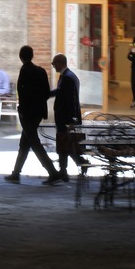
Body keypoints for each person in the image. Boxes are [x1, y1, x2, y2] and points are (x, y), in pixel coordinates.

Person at [3, 45, 62, 185]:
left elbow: (23, 94)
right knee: (25, 143)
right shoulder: (41, 71)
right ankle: (16, 173)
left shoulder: (24, 70)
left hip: (27, 114)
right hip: (38, 113)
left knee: (34, 143)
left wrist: (22, 111)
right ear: (32, 55)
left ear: (21, 57)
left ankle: (52, 172)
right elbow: (46, 93)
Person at [49, 53, 87, 181]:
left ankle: (78, 164)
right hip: (65, 117)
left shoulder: (67, 78)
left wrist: (71, 120)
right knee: (65, 144)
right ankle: (65, 170)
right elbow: (61, 92)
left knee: (66, 144)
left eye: (54, 63)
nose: (53, 66)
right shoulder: (69, 76)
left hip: (65, 118)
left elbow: (71, 100)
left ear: (60, 63)